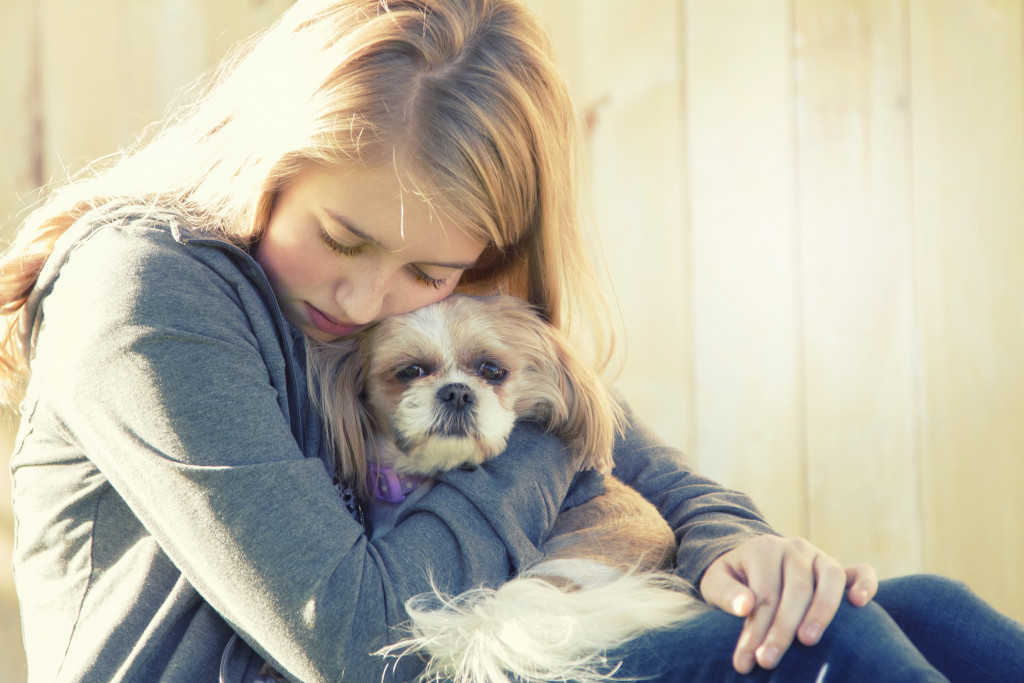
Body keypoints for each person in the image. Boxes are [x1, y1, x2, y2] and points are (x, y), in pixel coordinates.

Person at [1, 0, 1021, 681]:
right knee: (822, 648)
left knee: (928, 609)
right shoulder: (145, 292)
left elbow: (616, 440)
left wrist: (735, 547)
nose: (366, 299)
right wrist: (524, 406)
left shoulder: (391, 291)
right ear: (262, 162)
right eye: (340, 238)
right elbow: (360, 640)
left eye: (430, 275)